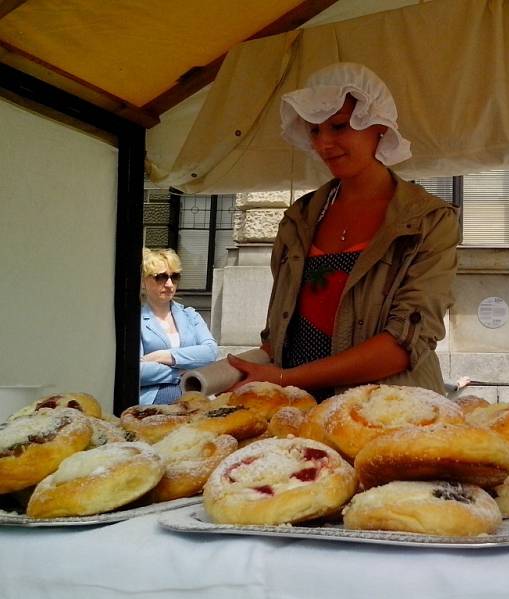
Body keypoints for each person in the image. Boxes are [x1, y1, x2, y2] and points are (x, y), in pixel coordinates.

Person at [227, 62, 458, 399]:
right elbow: (280, 329)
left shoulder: (429, 220)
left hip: (389, 413)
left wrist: (285, 378)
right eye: (314, 130)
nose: (323, 144)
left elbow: (404, 343)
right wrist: (247, 369)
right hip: (300, 409)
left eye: (338, 126)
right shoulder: (300, 217)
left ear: (378, 126)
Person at [140, 247, 218, 404]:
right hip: (156, 396)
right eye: (161, 277)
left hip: (194, 392)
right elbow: (137, 371)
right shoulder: (137, 320)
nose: (169, 284)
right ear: (143, 281)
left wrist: (164, 356)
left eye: (174, 277)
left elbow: (211, 352)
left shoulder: (190, 315)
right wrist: (183, 371)